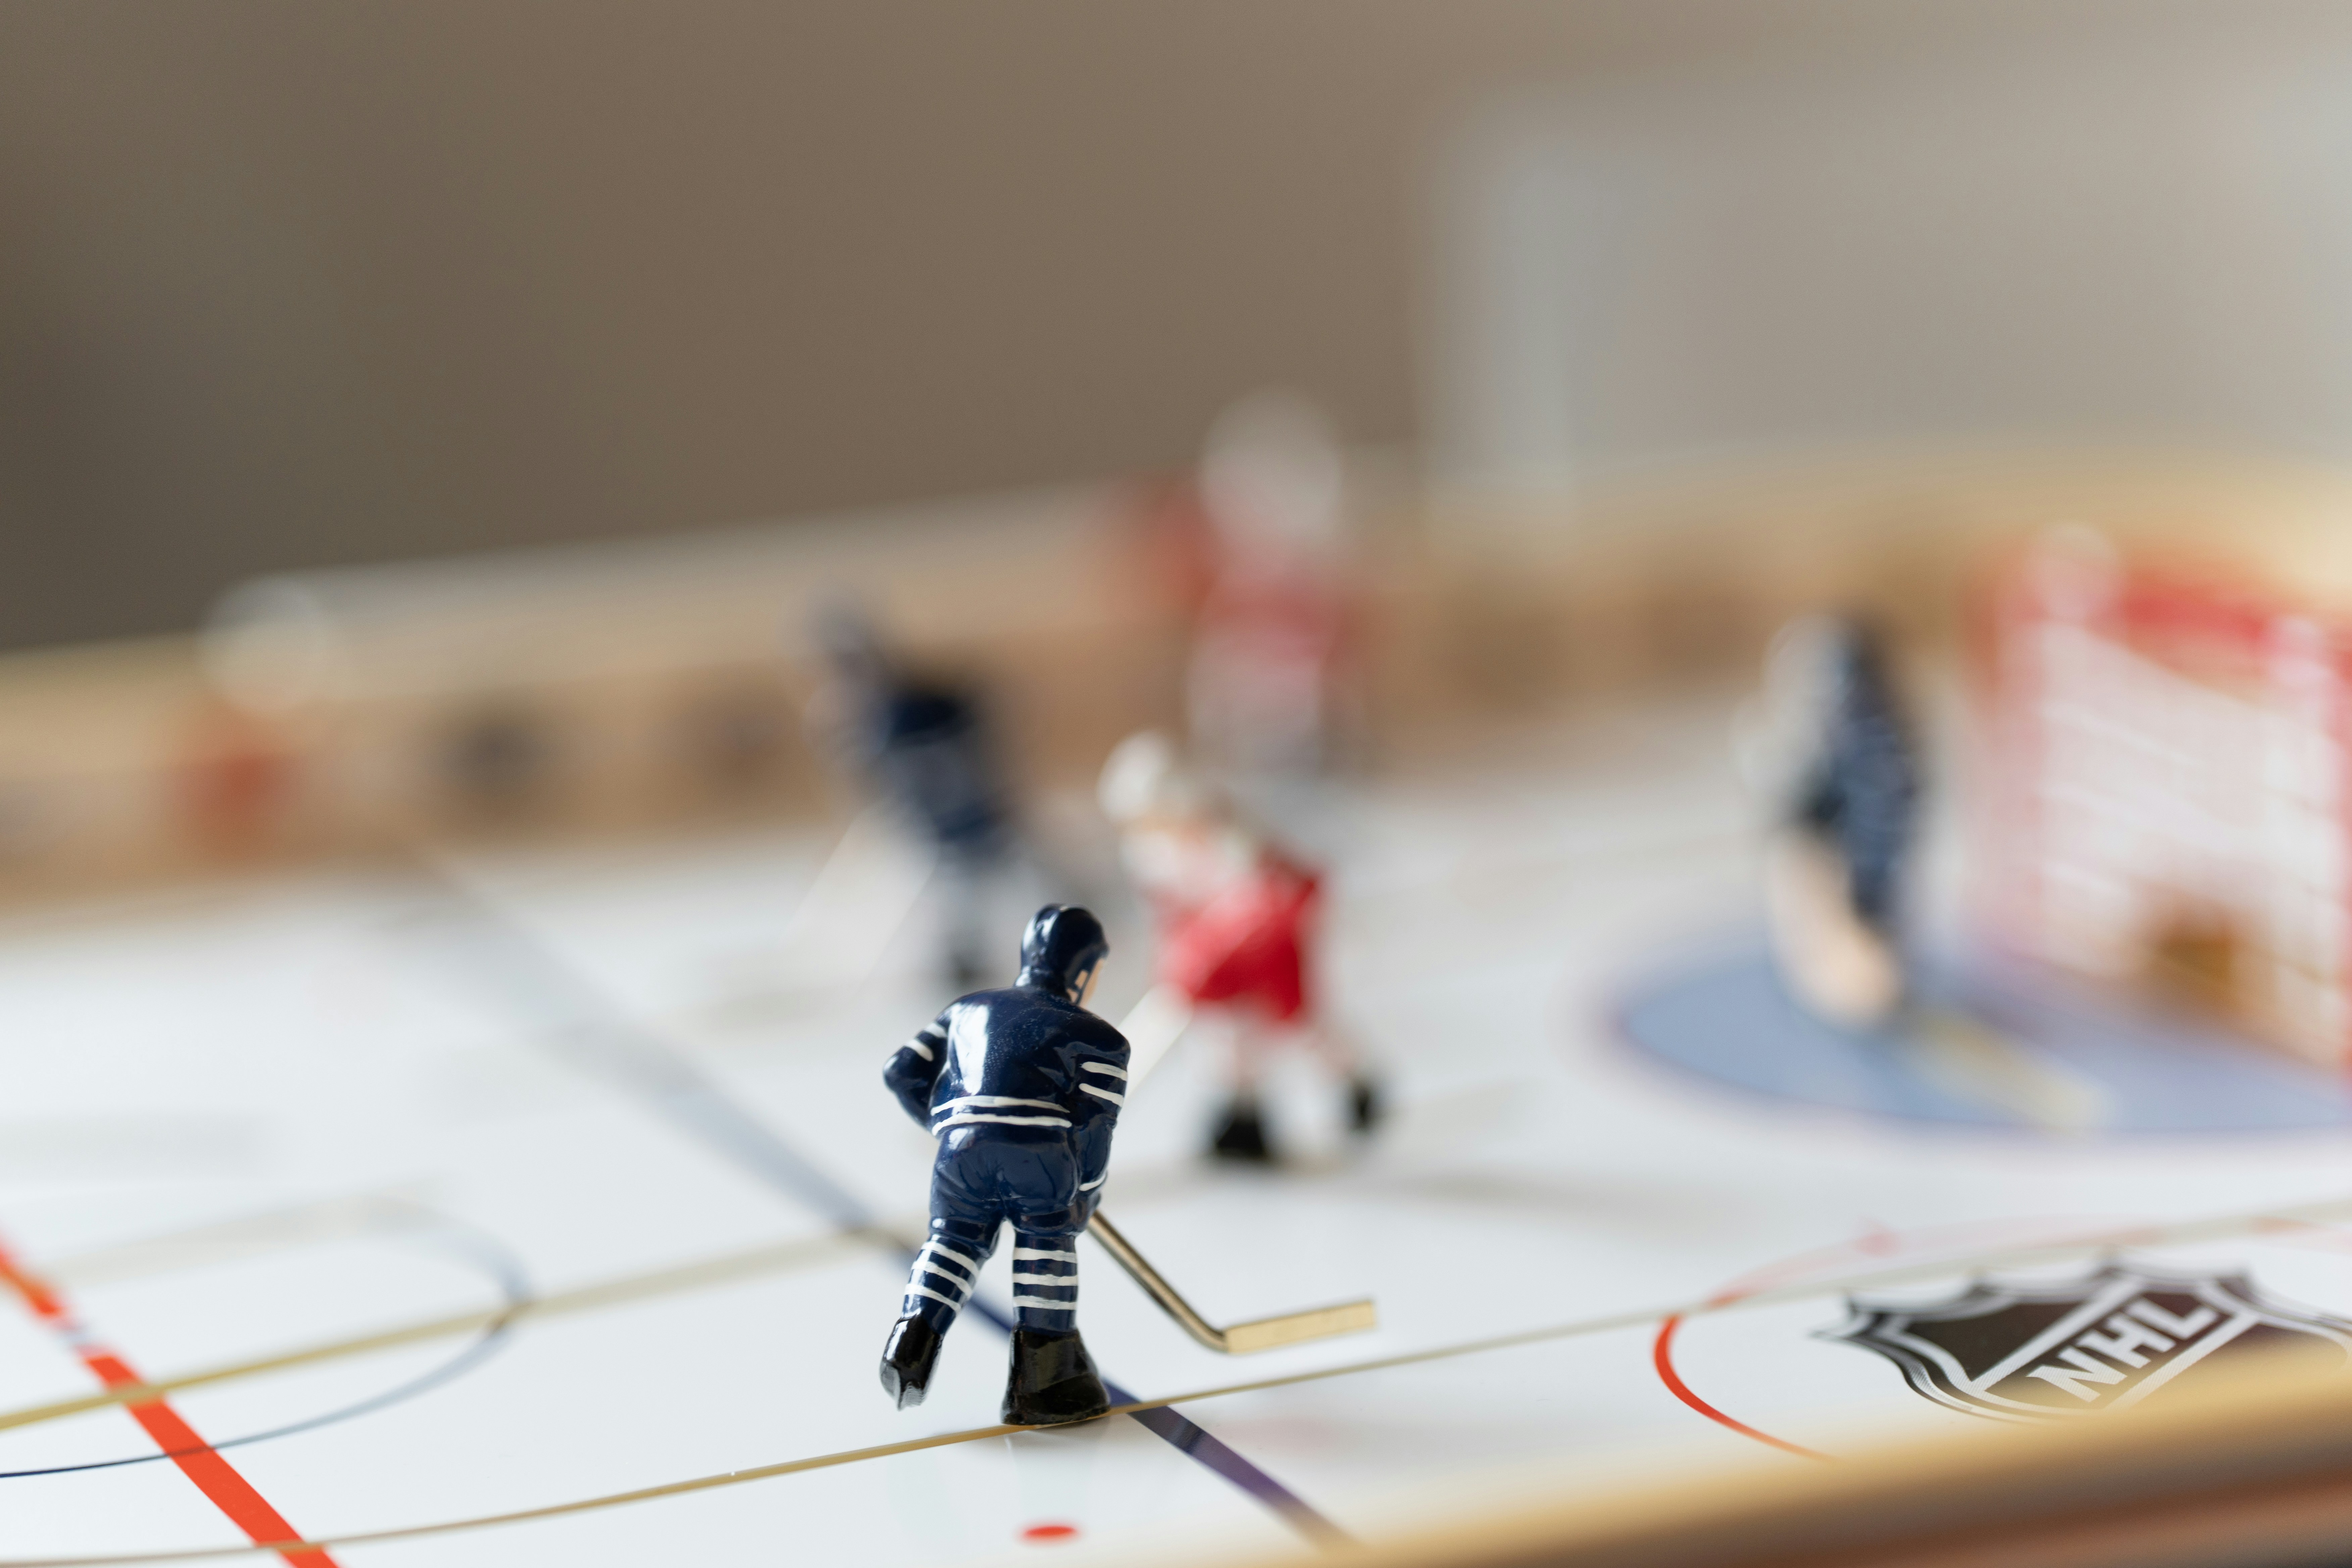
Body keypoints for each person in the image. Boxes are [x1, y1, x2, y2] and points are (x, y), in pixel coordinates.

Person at [877, 905, 1129, 1425]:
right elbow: (1094, 1126)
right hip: (1041, 1157)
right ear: (1084, 971)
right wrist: (1086, 1190)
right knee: (1046, 1242)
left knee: (954, 1239)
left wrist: (952, 1124)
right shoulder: (1102, 1039)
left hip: (959, 1152)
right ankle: (1045, 1377)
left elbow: (901, 1070)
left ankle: (914, 1334)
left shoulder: (966, 1008)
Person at [1098, 731, 1378, 1162]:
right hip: (1209, 961)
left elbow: (1264, 899)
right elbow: (1166, 912)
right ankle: (1243, 1116)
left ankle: (1354, 1083)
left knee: (1296, 1025)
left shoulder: (1231, 838)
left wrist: (1216, 942)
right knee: (1224, 1038)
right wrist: (1179, 957)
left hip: (1265, 949)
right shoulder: (1147, 852)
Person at [809, 603, 1017, 986]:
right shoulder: (865, 719)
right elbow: (868, 782)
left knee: (979, 882)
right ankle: (962, 956)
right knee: (954, 890)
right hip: (935, 827)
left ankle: (973, 952)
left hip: (962, 821)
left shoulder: (920, 707)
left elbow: (973, 747)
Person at [1745, 617, 1920, 1027]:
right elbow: (1797, 838)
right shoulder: (1807, 801)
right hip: (1830, 881)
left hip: (1854, 886)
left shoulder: (1883, 760)